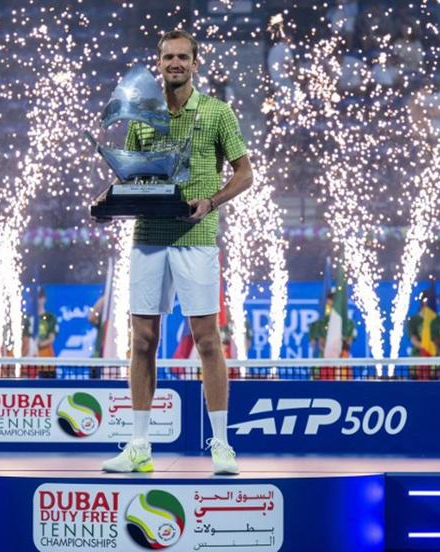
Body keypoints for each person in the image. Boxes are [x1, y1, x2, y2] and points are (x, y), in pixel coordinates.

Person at [101, 30, 253, 475]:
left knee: (208, 340)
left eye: (182, 57)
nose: (175, 63)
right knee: (143, 341)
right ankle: (139, 445)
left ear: (195, 63)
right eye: (168, 56)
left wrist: (211, 201)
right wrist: (109, 201)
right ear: (159, 62)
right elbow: (130, 173)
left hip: (197, 237)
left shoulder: (218, 113)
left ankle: (221, 445)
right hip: (149, 236)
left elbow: (246, 174)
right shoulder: (142, 116)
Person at [35, 287, 58, 378]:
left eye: (40, 297)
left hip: (46, 362)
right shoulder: (28, 318)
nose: (38, 300)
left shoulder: (50, 317)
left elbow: (51, 338)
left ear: (44, 299)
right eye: (35, 297)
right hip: (30, 362)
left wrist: (38, 344)